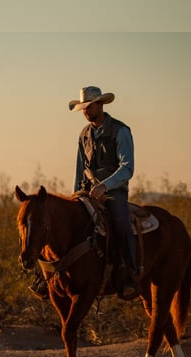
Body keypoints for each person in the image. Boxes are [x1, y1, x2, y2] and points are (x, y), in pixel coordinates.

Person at [70, 85, 139, 299]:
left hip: (114, 192)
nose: (86, 112)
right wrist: (76, 195)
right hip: (88, 191)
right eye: (83, 108)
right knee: (68, 225)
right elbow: (80, 169)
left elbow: (127, 167)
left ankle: (129, 274)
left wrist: (105, 186)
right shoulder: (84, 135)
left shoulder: (120, 130)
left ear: (100, 104)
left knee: (120, 222)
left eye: (89, 107)